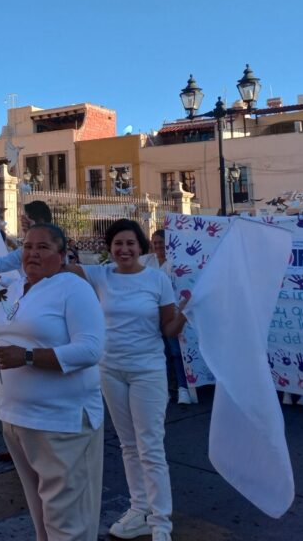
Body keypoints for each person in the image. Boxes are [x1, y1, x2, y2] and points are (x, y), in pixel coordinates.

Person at [0, 223, 105, 541]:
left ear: (62, 255)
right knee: (42, 520)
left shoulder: (72, 288)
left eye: (43, 247)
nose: (33, 253)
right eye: (27, 246)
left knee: (67, 523)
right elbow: (1, 331)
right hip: (15, 420)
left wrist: (27, 357)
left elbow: (91, 349)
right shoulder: (19, 288)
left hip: (61, 423)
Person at [72, 219, 187, 541]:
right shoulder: (100, 275)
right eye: (118, 244)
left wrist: (187, 315)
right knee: (128, 445)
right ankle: (139, 509)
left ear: (141, 247)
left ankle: (161, 521)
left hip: (147, 371)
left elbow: (168, 330)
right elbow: (60, 266)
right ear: (110, 247)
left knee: (150, 445)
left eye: (130, 244)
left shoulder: (157, 280)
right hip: (110, 370)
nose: (124, 249)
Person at [140, 230, 191, 405]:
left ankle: (183, 388)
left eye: (161, 242)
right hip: (152, 315)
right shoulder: (148, 261)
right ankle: (166, 390)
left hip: (172, 314)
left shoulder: (176, 261)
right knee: (160, 354)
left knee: (176, 353)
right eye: (155, 242)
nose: (158, 246)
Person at [0, 199, 54, 276]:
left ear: (40, 221)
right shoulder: (23, 251)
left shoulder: (56, 247)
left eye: (26, 220)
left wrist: (35, 233)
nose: (22, 224)